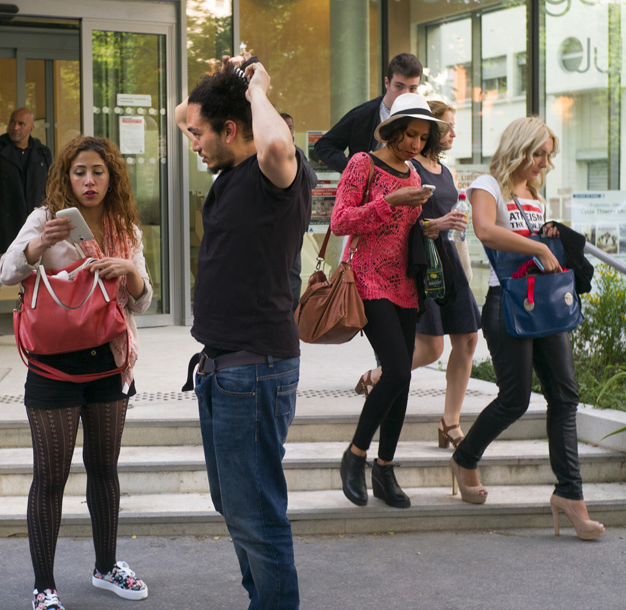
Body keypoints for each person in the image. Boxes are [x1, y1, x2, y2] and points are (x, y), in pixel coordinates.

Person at [176, 56, 310, 609]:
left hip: (254, 370)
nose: (193, 141)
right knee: (234, 504)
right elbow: (182, 109)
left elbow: (276, 145)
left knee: (255, 513)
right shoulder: (232, 173)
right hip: (225, 368)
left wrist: (256, 87)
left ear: (231, 129)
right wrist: (225, 80)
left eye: (201, 134)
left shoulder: (273, 173)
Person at [0, 136, 152, 610]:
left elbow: (143, 301)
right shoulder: (45, 218)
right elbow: (5, 272)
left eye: (98, 172)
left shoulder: (125, 226)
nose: (89, 181)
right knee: (50, 478)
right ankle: (44, 587)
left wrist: (131, 269)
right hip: (51, 368)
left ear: (112, 177)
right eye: (80, 171)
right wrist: (34, 248)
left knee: (104, 470)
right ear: (67, 175)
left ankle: (106, 568)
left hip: (108, 363)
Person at [452, 116, 605, 540]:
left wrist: (551, 235)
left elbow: (538, 248)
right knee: (515, 399)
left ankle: (570, 496)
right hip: (507, 303)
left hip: (544, 304)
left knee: (565, 395)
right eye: (538, 153)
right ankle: (465, 457)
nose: (543, 163)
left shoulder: (534, 195)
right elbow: (485, 231)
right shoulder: (487, 185)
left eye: (548, 155)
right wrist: (537, 243)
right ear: (519, 148)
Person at [332, 93, 445, 510]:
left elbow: (409, 229)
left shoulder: (415, 173)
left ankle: (385, 468)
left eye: (422, 137)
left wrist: (434, 226)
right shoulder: (363, 162)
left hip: (407, 283)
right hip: (368, 278)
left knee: (404, 379)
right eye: (410, 134)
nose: (416, 144)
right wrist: (388, 201)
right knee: (396, 371)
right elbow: (341, 220)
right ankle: (355, 455)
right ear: (394, 129)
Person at [354, 101, 480, 449]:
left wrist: (456, 237)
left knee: (468, 339)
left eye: (429, 134)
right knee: (430, 348)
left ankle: (449, 423)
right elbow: (398, 224)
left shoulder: (443, 171)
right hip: (419, 263)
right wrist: (432, 223)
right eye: (445, 127)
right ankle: (379, 380)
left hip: (449, 261)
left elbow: (448, 216)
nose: (450, 133)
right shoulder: (403, 168)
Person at [314, 53, 423, 174]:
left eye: (412, 88)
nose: (405, 94)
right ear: (387, 82)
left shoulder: (421, 118)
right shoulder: (363, 114)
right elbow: (323, 146)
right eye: (399, 86)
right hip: (368, 190)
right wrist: (356, 168)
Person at [0, 107, 53, 278]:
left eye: (21, 123)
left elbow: (50, 187)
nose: (15, 127)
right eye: (12, 122)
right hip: (2, 228)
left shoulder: (42, 153)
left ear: (31, 128)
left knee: (35, 278)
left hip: (32, 227)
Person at [281, 111, 318, 309]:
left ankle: (292, 315)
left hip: (296, 225)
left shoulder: (297, 153)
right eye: (284, 127)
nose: (288, 131)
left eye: (290, 127)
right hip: (277, 226)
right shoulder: (270, 154)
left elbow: (313, 180)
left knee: (294, 274)